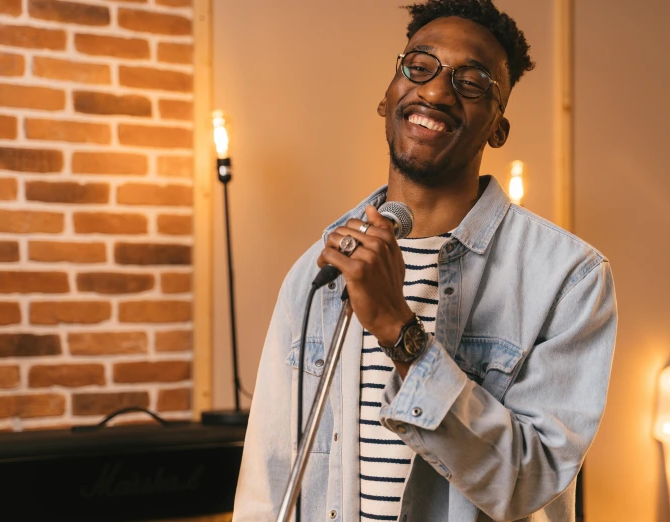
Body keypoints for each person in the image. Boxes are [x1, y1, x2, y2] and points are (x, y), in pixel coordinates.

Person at [233, 0, 617, 520]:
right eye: (419, 67)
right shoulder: (318, 270)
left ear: (498, 129)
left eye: (472, 82)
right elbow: (269, 476)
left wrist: (399, 331)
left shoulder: (569, 279)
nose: (436, 91)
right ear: (387, 96)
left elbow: (530, 482)